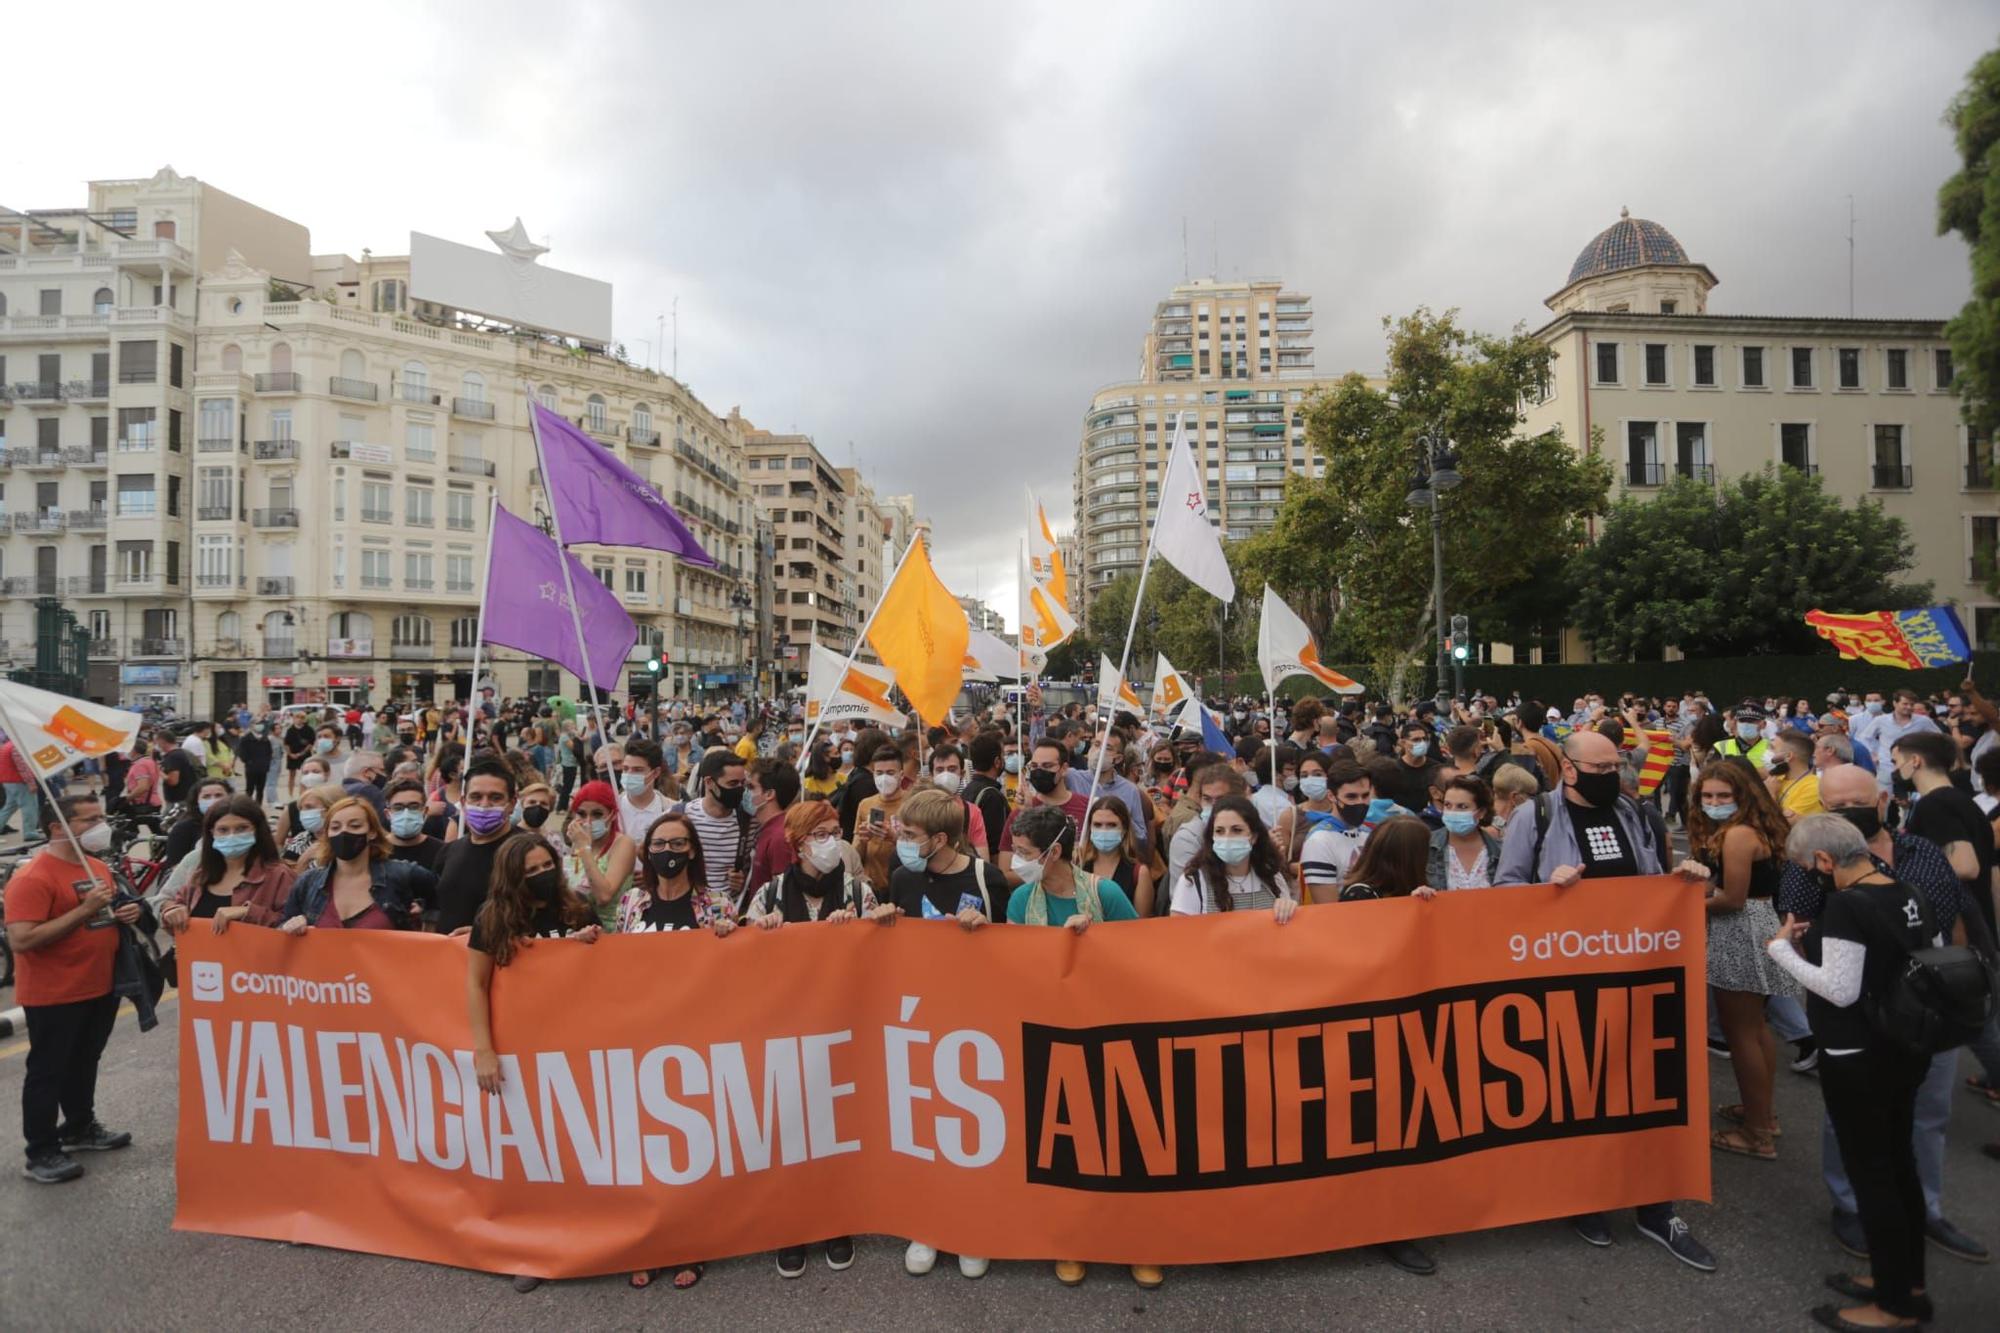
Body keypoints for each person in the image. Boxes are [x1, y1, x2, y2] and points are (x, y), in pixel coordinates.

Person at [1495, 728, 1719, 1270]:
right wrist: (1549, 890)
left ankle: (1655, 1205)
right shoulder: (1537, 817)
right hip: (1566, 976)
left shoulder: (1635, 812)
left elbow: (1652, 884)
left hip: (1637, 973)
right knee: (1581, 1086)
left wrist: (1684, 880)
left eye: (1614, 768)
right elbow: (1503, 890)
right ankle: (1587, 1196)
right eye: (1598, 770)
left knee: (1648, 1085)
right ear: (1568, 769)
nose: (1610, 778)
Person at [1773, 763, 1988, 1262]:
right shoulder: (1813, 863)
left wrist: (1954, 992)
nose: (1848, 811)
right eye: (1835, 805)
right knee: (1850, 1117)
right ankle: (1852, 1207)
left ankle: (1924, 1211)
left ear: (1885, 799)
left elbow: (1949, 923)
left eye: (1858, 800)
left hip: (1923, 1012)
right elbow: (1800, 925)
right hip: (1855, 1018)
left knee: (1928, 1114)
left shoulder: (1921, 853)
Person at [1768, 815, 1942, 1330]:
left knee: (1873, 1174)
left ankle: (1893, 1306)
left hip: (1857, 1055)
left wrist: (1780, 949)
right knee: (1899, 1163)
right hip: (1905, 1047)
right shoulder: (1907, 891)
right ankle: (1905, 1280)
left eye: (1809, 866)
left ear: (1825, 860)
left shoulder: (1847, 905)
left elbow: (1840, 990)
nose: (1812, 874)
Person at [464, 833, 635, 1293]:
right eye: (530, 871)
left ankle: (599, 1239)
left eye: (547, 867)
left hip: (579, 1051)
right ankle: (538, 1251)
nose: (541, 877)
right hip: (525, 1055)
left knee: (587, 1147)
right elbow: (476, 986)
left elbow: (605, 972)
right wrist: (484, 1050)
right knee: (538, 1156)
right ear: (511, 877)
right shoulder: (493, 920)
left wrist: (586, 945)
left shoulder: (575, 909)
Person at [1001, 803, 1155, 1288]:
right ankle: (1074, 1240)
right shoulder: (1019, 903)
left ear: (1055, 853)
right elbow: (1013, 970)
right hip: (1051, 1037)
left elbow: (1143, 956)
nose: (1016, 861)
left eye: (1025, 853)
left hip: (1112, 1031)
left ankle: (1138, 1240)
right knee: (1067, 1147)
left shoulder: (1104, 893)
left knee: (1125, 1141)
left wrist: (1094, 943)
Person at [868, 790, 996, 1280]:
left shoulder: (986, 877)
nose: (899, 840)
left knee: (971, 1128)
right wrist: (882, 924)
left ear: (940, 839)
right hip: (919, 1017)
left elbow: (1017, 943)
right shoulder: (902, 877)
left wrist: (986, 928)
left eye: (910, 836)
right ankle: (929, 1225)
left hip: (976, 1018)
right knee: (926, 1122)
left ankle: (970, 1227)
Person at [4, 794, 143, 1183]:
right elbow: (23, 940)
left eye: (101, 816)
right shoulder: (32, 878)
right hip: (54, 994)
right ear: (57, 828)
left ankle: (80, 1126)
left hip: (99, 987)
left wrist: (124, 914)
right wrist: (83, 910)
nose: (101, 825)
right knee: (48, 1070)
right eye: (90, 819)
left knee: (85, 1062)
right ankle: (41, 1151)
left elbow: (102, 920)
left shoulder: (97, 866)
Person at [1688, 761, 1798, 1162]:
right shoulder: (1753, 828)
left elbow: (1731, 899)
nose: (1714, 803)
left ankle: (1756, 1133)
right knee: (1756, 1030)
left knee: (1741, 1035)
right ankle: (1761, 1114)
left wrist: (1688, 903)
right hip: (1758, 927)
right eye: (1708, 796)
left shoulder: (1736, 835)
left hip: (1741, 930)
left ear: (1741, 797)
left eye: (1723, 796)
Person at [278, 797, 432, 933]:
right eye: (335, 827)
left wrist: (427, 920)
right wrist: (291, 926)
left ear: (371, 832)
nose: (344, 832)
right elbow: (282, 929)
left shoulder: (402, 874)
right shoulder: (308, 883)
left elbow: (442, 900)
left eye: (355, 826)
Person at [1895, 730, 1995, 936]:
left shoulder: (1935, 805)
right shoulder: (1962, 800)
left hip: (1960, 930)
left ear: (1914, 761)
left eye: (1895, 761)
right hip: (1978, 921)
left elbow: (1965, 867)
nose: (1895, 769)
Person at [159, 795, 295, 938]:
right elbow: (178, 921)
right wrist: (172, 913)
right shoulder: (200, 875)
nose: (232, 836)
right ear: (211, 833)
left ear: (257, 830)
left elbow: (293, 925)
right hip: (201, 958)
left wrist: (248, 913)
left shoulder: (279, 876)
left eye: (242, 828)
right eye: (223, 830)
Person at [743, 801, 876, 926]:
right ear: (799, 842)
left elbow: (874, 942)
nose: (832, 842)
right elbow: (750, 943)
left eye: (835, 833)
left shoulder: (859, 893)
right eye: (821, 834)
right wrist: (765, 928)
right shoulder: (769, 895)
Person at [1169, 794, 1299, 920]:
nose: (1227, 837)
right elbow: (1180, 934)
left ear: (1253, 837)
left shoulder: (1272, 877)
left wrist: (1288, 908)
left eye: (1236, 830)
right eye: (1219, 831)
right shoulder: (1193, 881)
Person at [619, 811, 739, 937]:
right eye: (658, 843)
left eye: (677, 843)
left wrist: (729, 932)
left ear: (692, 851)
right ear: (649, 852)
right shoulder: (631, 902)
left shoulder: (718, 904)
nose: (667, 849)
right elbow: (618, 949)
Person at [435, 757, 520, 936]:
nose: (484, 805)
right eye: (476, 797)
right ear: (464, 802)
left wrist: (484, 934)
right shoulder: (449, 851)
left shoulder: (529, 852)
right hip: (449, 958)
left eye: (495, 797)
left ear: (512, 803)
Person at [563, 780, 637, 932]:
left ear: (611, 814)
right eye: (582, 814)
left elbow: (603, 896)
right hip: (577, 929)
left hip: (610, 931)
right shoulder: (576, 843)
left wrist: (585, 849)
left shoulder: (623, 844)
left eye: (597, 814)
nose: (588, 821)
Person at [1298, 761, 1376, 904]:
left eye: (1365, 796)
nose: (1360, 802)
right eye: (1351, 797)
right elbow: (1328, 908)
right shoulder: (1319, 841)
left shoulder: (1370, 834)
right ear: (1331, 796)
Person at [684, 748, 751, 913]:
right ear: (709, 782)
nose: (739, 789)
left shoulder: (749, 820)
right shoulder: (682, 815)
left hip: (732, 912)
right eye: (732, 784)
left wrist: (742, 877)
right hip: (690, 910)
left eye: (743, 783)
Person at [1078, 796, 1155, 916]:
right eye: (1097, 825)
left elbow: (1141, 925)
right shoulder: (1078, 865)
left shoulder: (1139, 873)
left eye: (1112, 825)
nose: (1104, 830)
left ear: (1124, 829)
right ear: (1090, 828)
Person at [1427, 776, 1503, 890]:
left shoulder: (1499, 850)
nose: (1452, 812)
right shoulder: (1428, 846)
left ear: (1481, 812)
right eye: (1447, 805)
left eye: (1462, 807)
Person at [744, 758, 802, 899]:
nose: (745, 792)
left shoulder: (779, 837)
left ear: (769, 794)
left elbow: (783, 894)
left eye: (751, 787)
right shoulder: (767, 829)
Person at [614, 738, 677, 844]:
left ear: (656, 773)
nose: (629, 775)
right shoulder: (612, 810)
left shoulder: (671, 810)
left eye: (638, 770)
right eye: (625, 769)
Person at [382, 777, 447, 878]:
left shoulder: (442, 852)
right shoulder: (376, 850)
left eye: (414, 807)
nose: (406, 813)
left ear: (425, 811)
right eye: (398, 808)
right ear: (388, 814)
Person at [963, 732, 1013, 861]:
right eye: (1003, 756)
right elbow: (996, 847)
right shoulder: (992, 796)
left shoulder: (967, 789)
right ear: (997, 762)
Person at [163, 778, 233, 868]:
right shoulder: (184, 829)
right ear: (197, 801)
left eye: (218, 795)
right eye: (206, 796)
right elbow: (175, 866)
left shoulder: (242, 822)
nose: (213, 800)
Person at [235, 717, 275, 809]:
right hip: (251, 767)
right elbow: (242, 753)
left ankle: (258, 806)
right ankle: (247, 806)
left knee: (260, 789)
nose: (260, 726)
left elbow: (269, 752)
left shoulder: (265, 739)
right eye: (257, 723)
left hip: (263, 767)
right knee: (250, 788)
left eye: (261, 724)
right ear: (252, 725)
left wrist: (266, 762)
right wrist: (248, 761)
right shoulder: (246, 739)